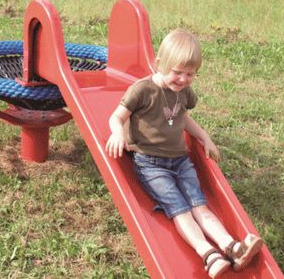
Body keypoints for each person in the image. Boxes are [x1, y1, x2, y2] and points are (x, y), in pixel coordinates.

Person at [105, 29, 264, 278]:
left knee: (200, 206)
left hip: (180, 160)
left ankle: (232, 248)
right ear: (159, 64)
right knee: (180, 209)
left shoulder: (184, 93)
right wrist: (117, 134)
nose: (182, 79)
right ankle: (208, 254)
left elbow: (183, 118)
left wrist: (205, 137)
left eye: (190, 74)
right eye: (177, 72)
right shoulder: (142, 90)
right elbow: (117, 116)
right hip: (151, 164)